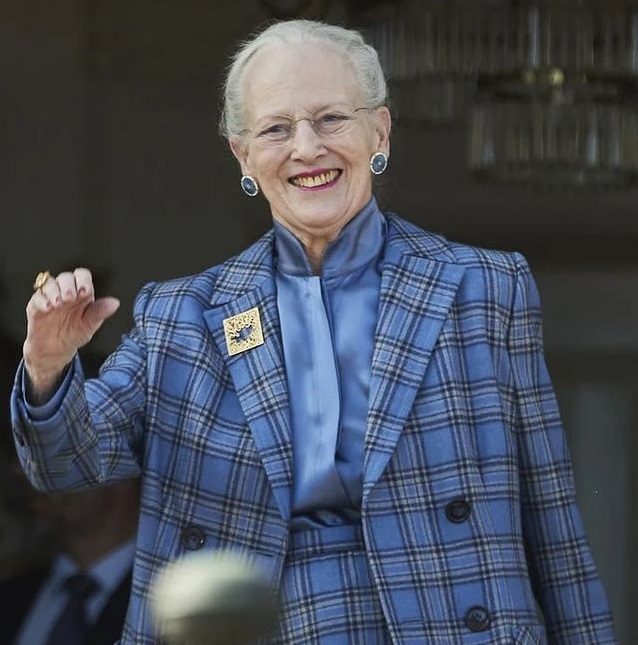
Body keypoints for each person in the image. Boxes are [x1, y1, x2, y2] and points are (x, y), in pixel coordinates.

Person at [10, 19, 615, 645]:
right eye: (276, 129)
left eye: (331, 119)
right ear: (243, 156)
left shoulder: (483, 287)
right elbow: (69, 463)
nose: (307, 148)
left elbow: (552, 518)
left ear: (379, 132)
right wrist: (48, 367)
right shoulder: (181, 316)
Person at [0, 474, 138, 645]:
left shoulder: (160, 603)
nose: (21, 469)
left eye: (58, 459)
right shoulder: (10, 598)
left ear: (122, 474)